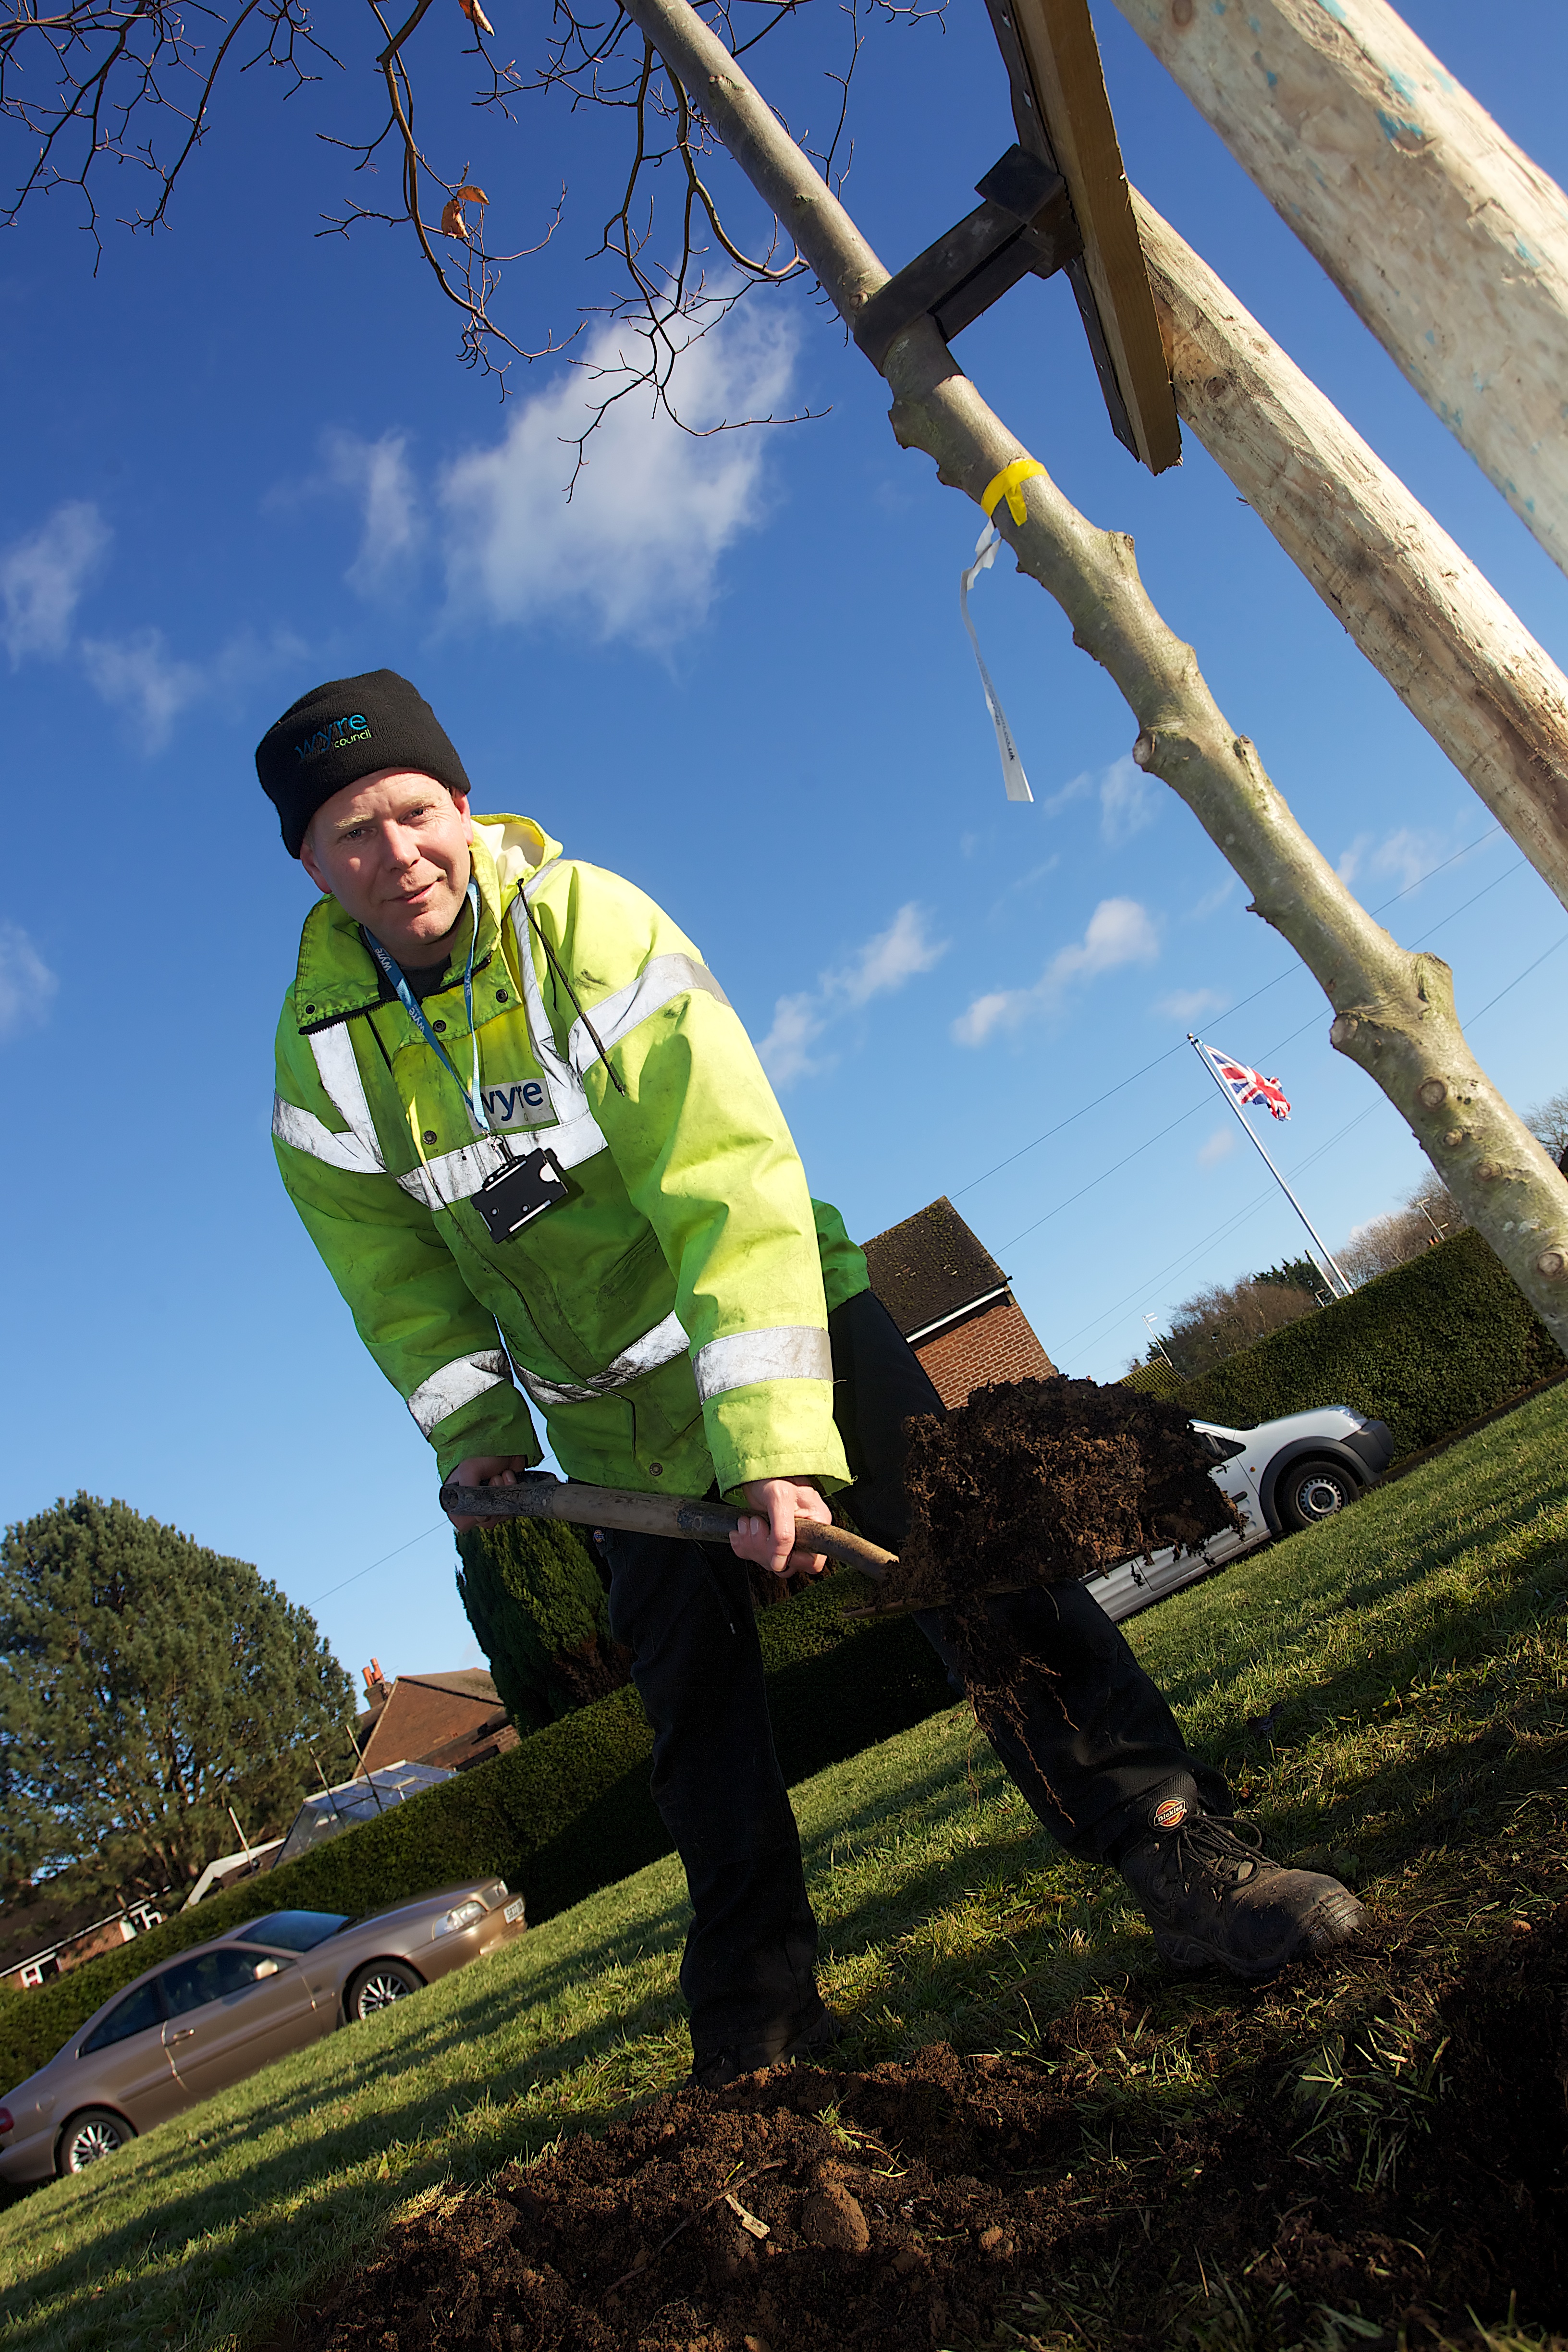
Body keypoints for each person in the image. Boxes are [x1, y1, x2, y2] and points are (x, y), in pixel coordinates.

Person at [260, 670, 1364, 2086]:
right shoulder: (320, 1069)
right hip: (610, 1428)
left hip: (790, 1318)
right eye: (351, 833)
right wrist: (478, 1434)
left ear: (463, 808)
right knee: (696, 1731)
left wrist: (776, 1437)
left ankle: (1177, 1852)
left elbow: (721, 1175)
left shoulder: (589, 928)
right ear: (308, 862)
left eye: (414, 811)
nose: (395, 854)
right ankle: (762, 2029)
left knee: (985, 1578)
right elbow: (396, 1284)